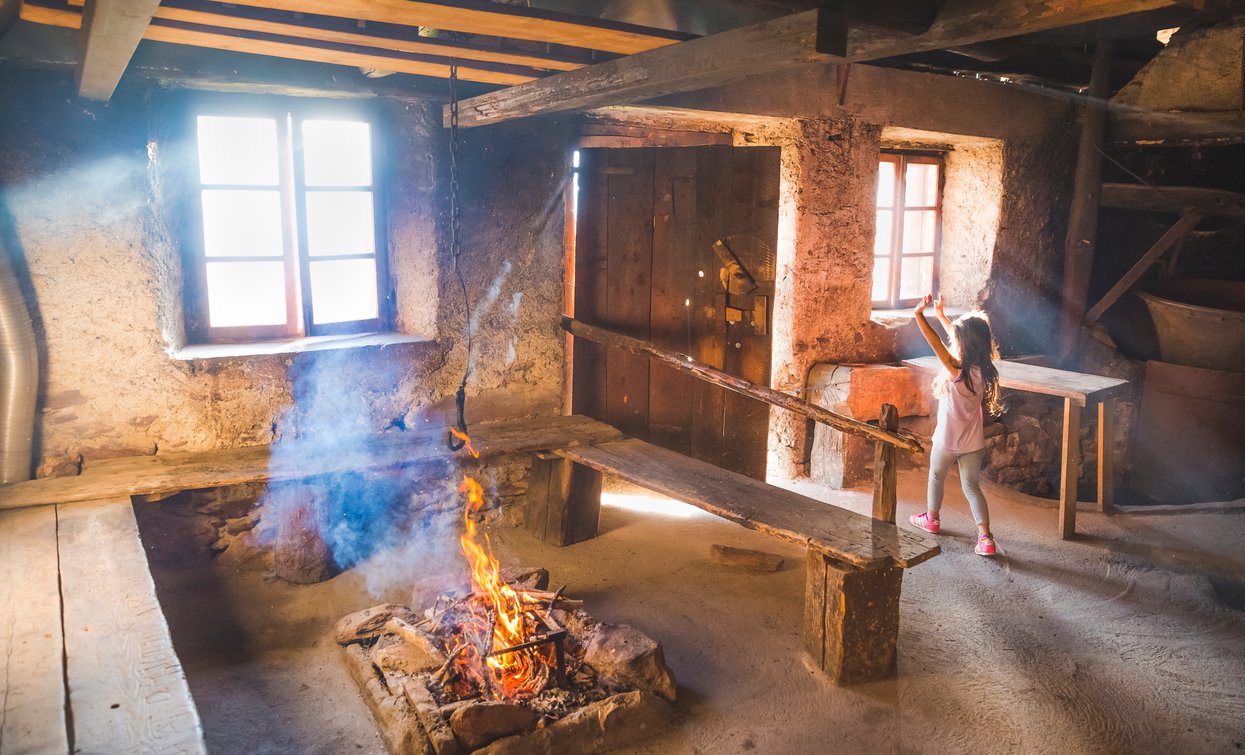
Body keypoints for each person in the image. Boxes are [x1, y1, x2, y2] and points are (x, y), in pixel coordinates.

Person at [909, 293, 1003, 556]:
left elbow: (936, 342)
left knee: (936, 476)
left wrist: (919, 315)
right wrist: (941, 316)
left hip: (947, 441)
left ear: (962, 344)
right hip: (973, 443)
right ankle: (985, 539)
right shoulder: (984, 369)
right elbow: (963, 340)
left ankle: (932, 519)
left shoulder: (956, 369)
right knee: (972, 487)